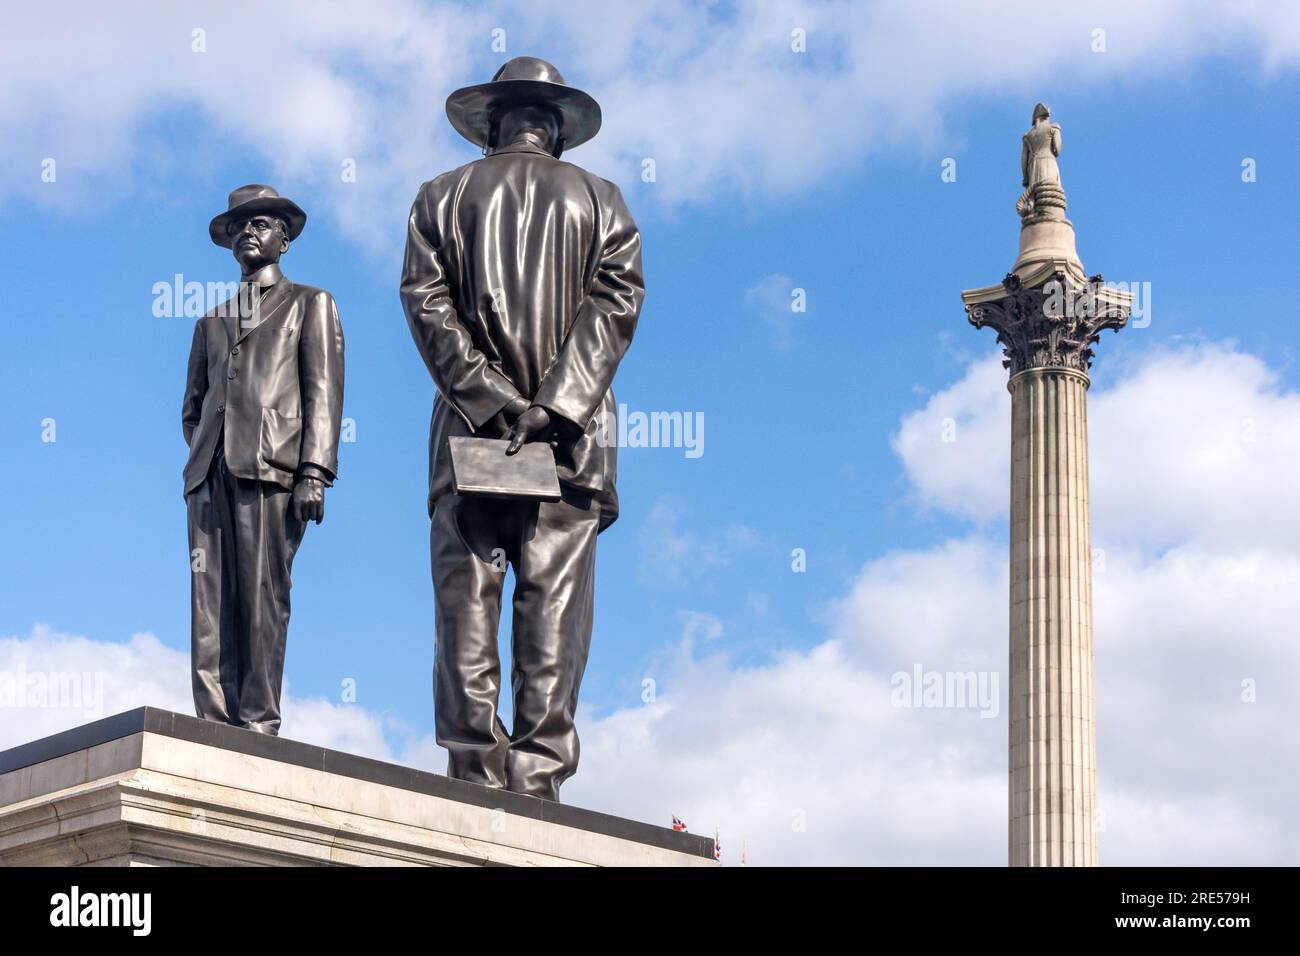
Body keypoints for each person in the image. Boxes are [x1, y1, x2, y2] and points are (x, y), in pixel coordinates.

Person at [400, 57, 644, 800]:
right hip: (571, 443)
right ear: (557, 130)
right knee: (555, 605)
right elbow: (616, 304)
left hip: (472, 434)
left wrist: (488, 396)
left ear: (491, 125)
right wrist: (559, 403)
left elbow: (426, 300)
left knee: (465, 602)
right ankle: (537, 775)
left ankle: (473, 767)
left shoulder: (442, 196)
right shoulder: (603, 200)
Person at [182, 184, 345, 735]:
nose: (249, 232)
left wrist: (314, 472)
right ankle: (213, 719)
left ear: (284, 240)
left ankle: (257, 720)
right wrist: (212, 450)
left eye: (261, 224)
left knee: (262, 595)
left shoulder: (310, 304)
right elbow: (192, 408)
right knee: (210, 602)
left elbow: (323, 391)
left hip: (273, 470)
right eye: (240, 226)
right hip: (210, 474)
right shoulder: (211, 321)